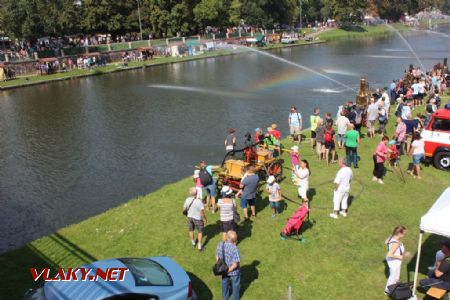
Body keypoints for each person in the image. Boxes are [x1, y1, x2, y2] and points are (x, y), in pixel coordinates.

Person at [216, 231, 241, 300]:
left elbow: (217, 256)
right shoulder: (234, 248)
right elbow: (235, 264)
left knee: (224, 284)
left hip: (223, 270)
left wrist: (220, 266)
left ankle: (225, 298)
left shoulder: (220, 244)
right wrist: (229, 270)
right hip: (234, 272)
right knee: (235, 286)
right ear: (235, 240)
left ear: (227, 237)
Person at [385, 226, 409, 295]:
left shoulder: (392, 238)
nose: (404, 235)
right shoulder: (395, 243)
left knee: (396, 275)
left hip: (394, 260)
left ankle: (394, 287)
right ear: (399, 233)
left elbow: (386, 242)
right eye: (403, 234)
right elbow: (389, 254)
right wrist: (399, 257)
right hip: (393, 261)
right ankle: (388, 290)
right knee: (393, 276)